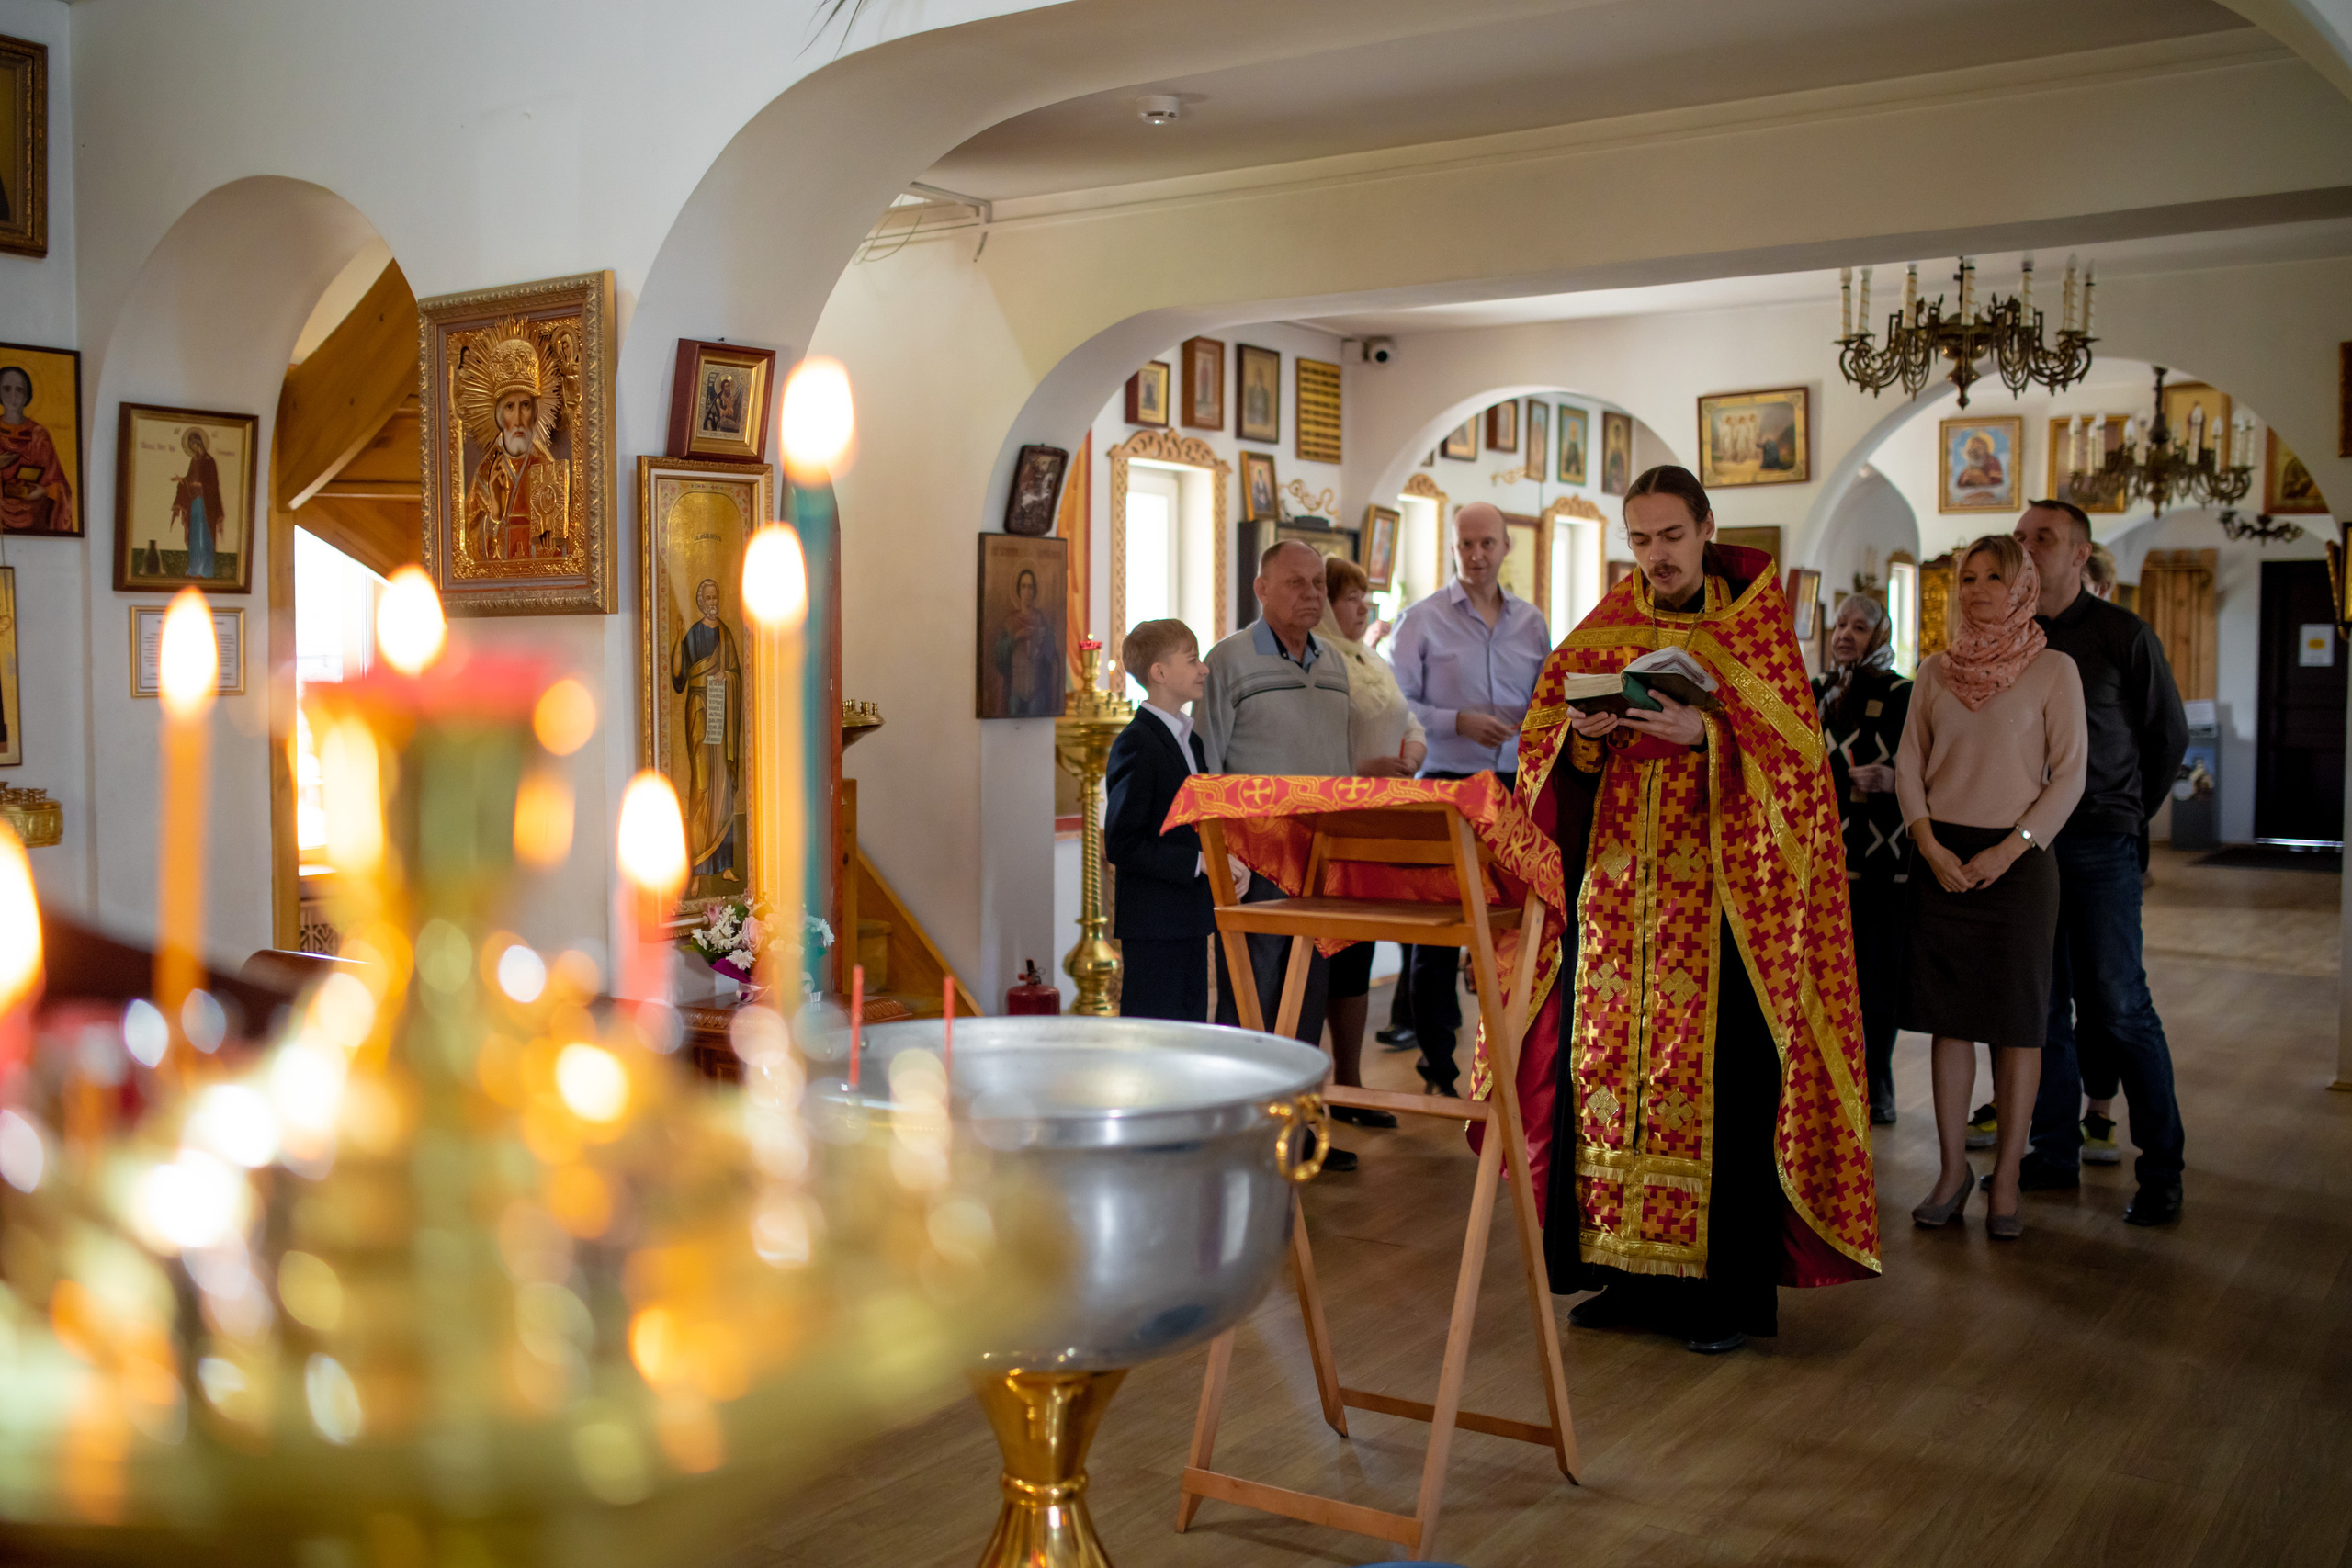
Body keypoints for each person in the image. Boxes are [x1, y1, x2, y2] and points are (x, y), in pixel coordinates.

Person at [1503, 465, 1878, 1355]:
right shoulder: (1604, 627)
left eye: (1670, 536)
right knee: (1607, 1093)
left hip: (1718, 918)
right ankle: (1621, 1277)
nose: (1656, 555)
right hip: (1616, 910)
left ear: (1706, 527)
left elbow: (1797, 776)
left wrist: (1704, 736)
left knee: (1713, 1093)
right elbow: (1540, 754)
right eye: (1639, 539)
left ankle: (1718, 1296)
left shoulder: (1754, 630)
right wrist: (1582, 743)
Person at [1896, 536, 2086, 1240]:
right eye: (1966, 577)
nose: (1977, 589)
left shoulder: (2054, 670)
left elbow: (2069, 776)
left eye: (1993, 577)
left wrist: (2011, 849)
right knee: (1951, 1020)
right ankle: (1953, 1170)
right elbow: (1910, 763)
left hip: (2021, 862)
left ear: (2022, 586)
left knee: (2017, 1024)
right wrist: (1926, 841)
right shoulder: (1935, 673)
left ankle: (2006, 1175)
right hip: (1941, 855)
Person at [2013, 500, 2189, 1224]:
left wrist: (2124, 816)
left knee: (2118, 1004)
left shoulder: (2124, 636)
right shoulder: (2008, 639)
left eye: (2043, 539)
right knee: (2043, 1005)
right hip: (2026, 845)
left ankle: (2163, 1169)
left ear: (2080, 554)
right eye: (2019, 538)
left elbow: (2166, 738)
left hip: (2097, 845)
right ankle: (2053, 1149)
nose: (2027, 550)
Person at [1198, 540, 1359, 1168]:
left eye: (1318, 583)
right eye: (1296, 582)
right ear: (1260, 589)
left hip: (1318, 856)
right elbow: (1205, 762)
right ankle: (1235, 1135)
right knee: (1250, 998)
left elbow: (1341, 761)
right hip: (1255, 857)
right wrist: (1219, 855)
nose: (1312, 593)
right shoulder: (1229, 661)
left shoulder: (1336, 663)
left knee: (1306, 998)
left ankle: (1297, 1132)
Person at [1389, 502, 1551, 1096]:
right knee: (1439, 927)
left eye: (1487, 543)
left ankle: (1510, 1058)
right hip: (1446, 784)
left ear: (1507, 546)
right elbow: (1396, 704)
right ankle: (1437, 1062)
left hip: (1513, 789)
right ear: (1453, 549)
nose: (1477, 555)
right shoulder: (1421, 619)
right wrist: (1457, 720)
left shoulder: (1532, 623)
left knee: (1513, 924)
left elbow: (1547, 700)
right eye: (1466, 545)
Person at [1317, 555, 1430, 1129]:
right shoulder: (1318, 659)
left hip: (1372, 825)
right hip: (1328, 826)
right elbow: (1313, 749)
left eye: (1367, 599)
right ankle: (1310, 1094)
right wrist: (1363, 768)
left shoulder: (1369, 657)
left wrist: (1411, 752)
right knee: (1320, 960)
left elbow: (1408, 718)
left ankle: (1352, 1084)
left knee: (1356, 957)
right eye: (1352, 599)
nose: (1363, 608)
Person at [1105, 618, 1239, 1024]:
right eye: (1193, 659)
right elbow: (1123, 844)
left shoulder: (1190, 741)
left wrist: (1222, 859)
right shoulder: (1137, 743)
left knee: (1191, 1029)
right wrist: (1199, 863)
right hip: (1153, 923)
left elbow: (1195, 823)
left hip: (1189, 916)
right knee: (1156, 1036)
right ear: (1159, 673)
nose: (1205, 669)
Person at [1812, 595, 1912, 1125]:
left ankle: (1878, 1081)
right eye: (1841, 625)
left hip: (1882, 855)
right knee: (1824, 974)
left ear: (1881, 633)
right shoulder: (1818, 691)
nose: (1846, 634)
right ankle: (1825, 1083)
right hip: (1825, 855)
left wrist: (1895, 780)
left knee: (1876, 977)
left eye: (1860, 626)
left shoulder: (1903, 692)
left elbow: (1929, 763)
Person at [461, 323, 569, 564]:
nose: (519, 419)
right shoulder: (486, 473)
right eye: (510, 407)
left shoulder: (545, 467)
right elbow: (468, 552)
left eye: (525, 405)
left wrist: (551, 542)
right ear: (500, 415)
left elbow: (563, 546)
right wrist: (495, 517)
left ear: (535, 412)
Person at [671, 577, 744, 888]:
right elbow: (679, 679)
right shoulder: (694, 633)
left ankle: (724, 864)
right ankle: (699, 866)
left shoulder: (726, 635)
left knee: (723, 786)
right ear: (701, 602)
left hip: (720, 710)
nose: (713, 601)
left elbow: (737, 676)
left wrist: (725, 676)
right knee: (701, 785)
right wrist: (677, 639)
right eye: (708, 597)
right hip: (699, 711)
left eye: (716, 596)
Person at [0, 365, 73, 535]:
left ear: (27, 395)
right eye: (6, 389)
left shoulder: (38, 435)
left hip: (36, 515)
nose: (13, 396)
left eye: (19, 390)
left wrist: (45, 491)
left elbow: (61, 485)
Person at [171, 428, 226, 580]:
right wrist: (183, 481)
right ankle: (194, 568)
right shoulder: (193, 461)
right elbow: (190, 479)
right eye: (190, 446)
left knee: (204, 534)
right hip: (195, 502)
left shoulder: (209, 461)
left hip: (206, 503)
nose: (192, 448)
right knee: (195, 534)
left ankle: (206, 570)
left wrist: (199, 484)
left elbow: (213, 485)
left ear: (198, 443)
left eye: (193, 444)